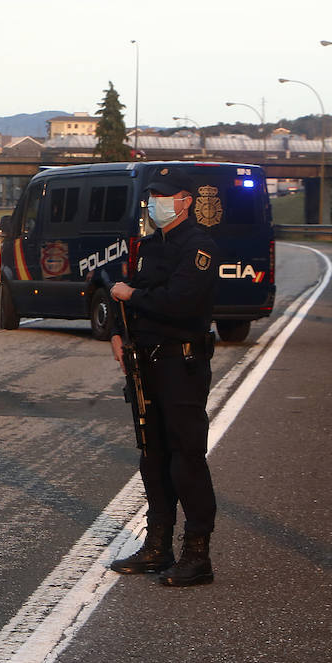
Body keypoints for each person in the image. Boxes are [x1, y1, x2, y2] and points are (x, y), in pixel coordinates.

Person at [107, 167, 219, 587]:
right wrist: (118, 334)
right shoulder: (150, 246)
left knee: (185, 457)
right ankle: (158, 546)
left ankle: (197, 554)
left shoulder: (199, 247)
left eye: (165, 195)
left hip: (182, 365)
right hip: (145, 363)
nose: (157, 202)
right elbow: (125, 296)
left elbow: (180, 303)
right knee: (152, 455)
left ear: (186, 201)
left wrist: (132, 295)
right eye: (153, 195)